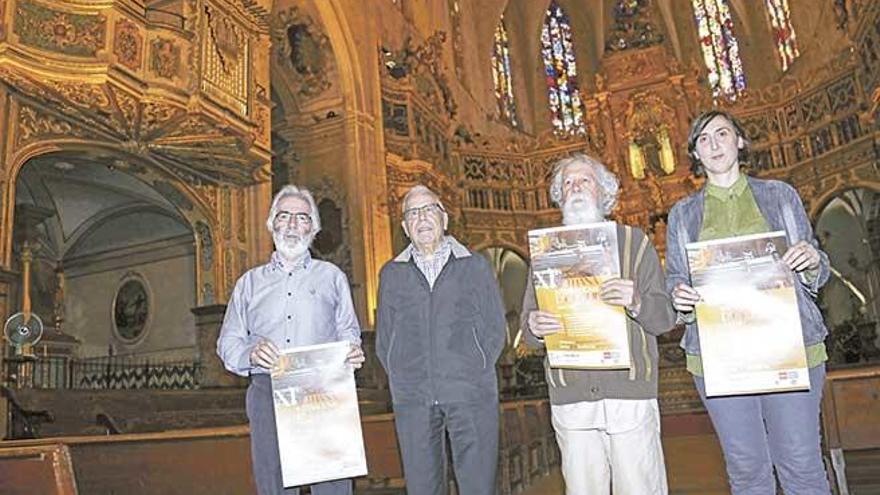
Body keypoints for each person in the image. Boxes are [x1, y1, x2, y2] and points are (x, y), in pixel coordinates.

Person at [666, 110, 832, 494]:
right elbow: (676, 278)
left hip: (789, 347)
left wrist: (809, 260)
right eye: (703, 139)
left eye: (722, 133)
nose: (715, 144)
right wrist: (681, 297)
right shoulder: (683, 214)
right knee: (746, 471)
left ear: (740, 141)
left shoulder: (780, 195)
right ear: (695, 153)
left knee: (801, 464)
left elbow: (817, 268)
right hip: (718, 356)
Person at [521, 153, 675, 494]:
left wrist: (636, 301)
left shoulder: (635, 243)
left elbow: (665, 317)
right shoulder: (547, 252)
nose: (575, 188)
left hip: (628, 394)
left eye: (584, 180)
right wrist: (534, 325)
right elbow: (528, 329)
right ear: (559, 196)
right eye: (568, 183)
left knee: (640, 488)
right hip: (572, 397)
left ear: (603, 192)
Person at [216, 185, 365, 495]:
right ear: (272, 225)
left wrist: (352, 351)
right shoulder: (248, 283)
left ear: (313, 227)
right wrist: (251, 352)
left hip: (322, 387)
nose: (293, 225)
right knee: (274, 485)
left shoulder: (332, 277)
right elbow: (227, 343)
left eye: (302, 217)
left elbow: (348, 331)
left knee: (332, 487)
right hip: (267, 390)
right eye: (284, 216)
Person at [375, 185, 506, 495]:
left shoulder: (474, 266)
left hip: (471, 394)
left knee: (478, 486)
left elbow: (494, 328)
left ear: (444, 219)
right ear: (405, 227)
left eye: (429, 209)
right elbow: (384, 338)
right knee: (422, 488)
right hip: (414, 398)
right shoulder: (391, 274)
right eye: (413, 213)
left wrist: (475, 368)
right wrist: (404, 376)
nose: (422, 218)